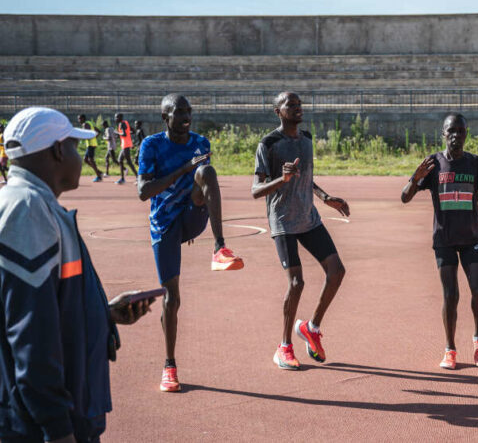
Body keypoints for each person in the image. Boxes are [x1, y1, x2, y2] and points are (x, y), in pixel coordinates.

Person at [0, 107, 156, 442]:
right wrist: (58, 429)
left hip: (53, 415)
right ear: (57, 150)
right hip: (37, 427)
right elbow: (31, 336)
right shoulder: (27, 210)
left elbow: (42, 305)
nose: (81, 156)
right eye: (73, 146)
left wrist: (102, 314)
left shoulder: (34, 205)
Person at [137, 93, 245, 392]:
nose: (186, 115)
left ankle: (219, 247)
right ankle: (169, 366)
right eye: (178, 111)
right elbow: (144, 191)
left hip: (192, 214)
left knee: (207, 171)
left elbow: (201, 181)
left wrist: (193, 176)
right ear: (165, 117)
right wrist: (182, 170)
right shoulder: (151, 145)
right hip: (164, 225)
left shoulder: (201, 143)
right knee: (172, 298)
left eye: (188, 110)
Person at [401, 113, 478, 370]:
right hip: (444, 240)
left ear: (466, 135)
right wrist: (415, 179)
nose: (456, 135)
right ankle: (450, 349)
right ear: (443, 134)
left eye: (461, 131)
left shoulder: (475, 163)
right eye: (451, 131)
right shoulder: (433, 164)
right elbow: (404, 198)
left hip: (471, 238)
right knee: (451, 296)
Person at [251, 92, 350, 370]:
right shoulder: (268, 143)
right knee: (297, 283)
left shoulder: (306, 140)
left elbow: (306, 176)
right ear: (277, 111)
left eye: (299, 105)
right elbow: (256, 190)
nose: (297, 108)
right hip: (283, 222)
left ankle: (311, 326)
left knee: (337, 271)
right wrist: (281, 180)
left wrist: (324, 196)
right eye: (290, 105)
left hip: (309, 218)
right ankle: (284, 347)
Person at [78, 114, 104, 182]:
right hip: (92, 143)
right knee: (86, 160)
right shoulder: (90, 123)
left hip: (91, 144)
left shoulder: (85, 125)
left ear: (83, 118)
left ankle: (99, 176)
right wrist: (94, 137)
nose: (79, 120)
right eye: (78, 119)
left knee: (90, 160)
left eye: (80, 119)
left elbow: (86, 133)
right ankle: (99, 172)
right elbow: (99, 131)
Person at [114, 113, 138, 184]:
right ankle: (122, 178)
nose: (115, 119)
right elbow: (133, 131)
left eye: (117, 117)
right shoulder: (125, 123)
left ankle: (137, 177)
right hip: (125, 144)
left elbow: (124, 134)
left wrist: (117, 133)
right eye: (115, 117)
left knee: (128, 162)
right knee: (120, 160)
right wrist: (121, 134)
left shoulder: (122, 124)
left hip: (126, 145)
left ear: (120, 118)